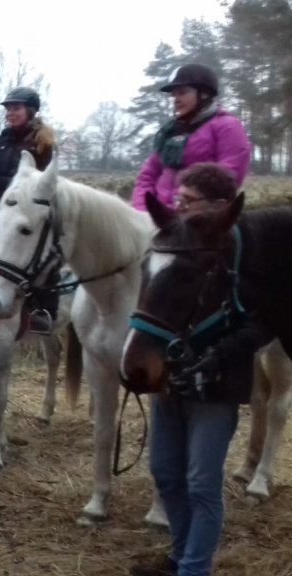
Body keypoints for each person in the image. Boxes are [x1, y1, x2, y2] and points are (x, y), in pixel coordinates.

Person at [130, 162, 270, 576]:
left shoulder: (245, 257)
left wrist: (217, 356)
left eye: (187, 202)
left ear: (221, 206)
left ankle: (194, 569)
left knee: (201, 484)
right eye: (178, 199)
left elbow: (260, 322)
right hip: (170, 382)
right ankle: (180, 558)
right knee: (166, 475)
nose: (178, 207)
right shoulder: (177, 250)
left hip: (219, 387)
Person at [0, 87, 57, 335]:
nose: (10, 113)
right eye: (8, 109)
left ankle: (42, 310)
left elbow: (44, 182)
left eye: (16, 108)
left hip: (28, 213)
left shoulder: (42, 143)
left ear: (30, 111)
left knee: (45, 256)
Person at [131, 63, 251, 213]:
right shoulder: (170, 131)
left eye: (182, 93)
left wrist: (180, 208)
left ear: (204, 94)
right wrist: (142, 210)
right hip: (160, 217)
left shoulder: (227, 126)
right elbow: (148, 175)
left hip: (200, 219)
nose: (176, 99)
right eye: (174, 95)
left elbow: (227, 179)